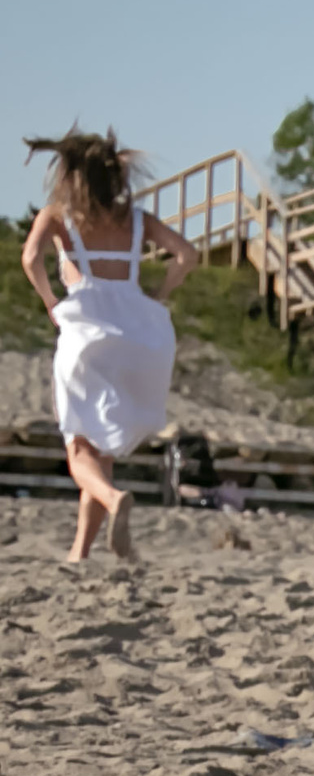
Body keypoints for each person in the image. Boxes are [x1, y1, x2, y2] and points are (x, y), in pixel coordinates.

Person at [18, 128, 195, 564]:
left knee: (79, 449)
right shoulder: (136, 221)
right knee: (103, 447)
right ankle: (81, 552)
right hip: (140, 336)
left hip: (86, 330)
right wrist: (159, 296)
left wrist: (51, 302)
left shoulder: (58, 216)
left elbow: (29, 258)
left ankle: (114, 500)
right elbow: (187, 255)